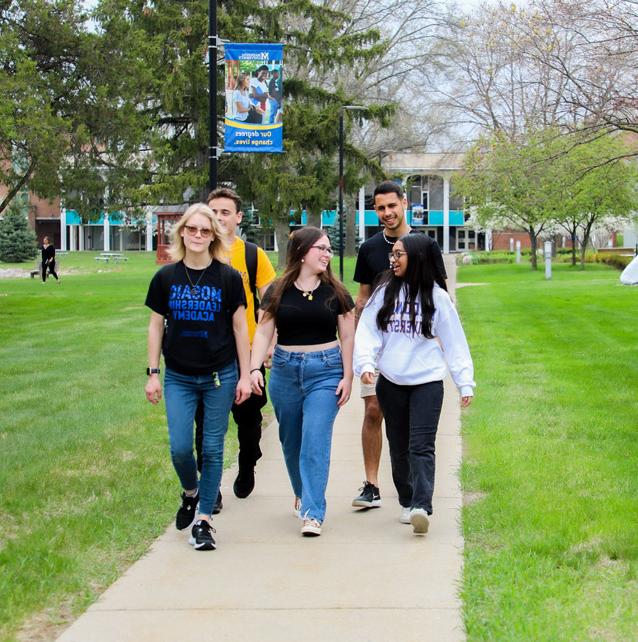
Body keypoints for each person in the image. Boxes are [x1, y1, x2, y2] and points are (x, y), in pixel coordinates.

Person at [144, 203, 251, 551]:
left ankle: (204, 520)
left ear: (214, 236)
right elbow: (155, 325)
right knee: (179, 448)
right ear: (182, 232)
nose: (198, 236)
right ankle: (190, 491)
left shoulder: (228, 278)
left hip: (220, 374)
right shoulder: (165, 277)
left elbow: (239, 329)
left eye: (206, 231)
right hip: (178, 376)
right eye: (193, 229)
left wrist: (247, 375)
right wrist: (153, 374)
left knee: (212, 448)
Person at [353, 233, 475, 534]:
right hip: (391, 382)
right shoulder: (384, 293)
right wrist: (366, 364)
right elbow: (368, 330)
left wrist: (465, 382)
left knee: (421, 446)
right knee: (399, 447)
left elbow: (454, 342)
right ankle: (407, 500)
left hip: (427, 383)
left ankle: (422, 505)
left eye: (399, 255)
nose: (392, 260)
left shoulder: (437, 297)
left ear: (417, 258)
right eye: (392, 255)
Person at [249, 227, 355, 537]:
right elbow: (264, 331)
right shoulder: (278, 290)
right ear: (301, 252)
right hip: (284, 370)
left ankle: (313, 511)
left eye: (329, 249)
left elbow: (347, 336)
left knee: (314, 440)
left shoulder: (336, 292)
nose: (327, 254)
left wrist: (347, 375)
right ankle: (302, 492)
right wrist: (255, 368)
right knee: (291, 441)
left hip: (326, 371)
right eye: (320, 248)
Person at [351, 181, 447, 510]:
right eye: (380, 208)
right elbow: (363, 299)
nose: (387, 213)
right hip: (379, 348)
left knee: (413, 433)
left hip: (415, 352)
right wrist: (359, 352)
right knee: (374, 410)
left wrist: (439, 342)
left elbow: (440, 295)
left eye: (392, 206)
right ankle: (372, 483)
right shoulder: (369, 249)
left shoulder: (424, 245)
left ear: (404, 203)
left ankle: (413, 496)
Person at [193, 187, 277, 509]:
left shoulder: (253, 255)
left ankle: (247, 463)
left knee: (249, 421)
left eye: (225, 212)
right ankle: (210, 490)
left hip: (247, 356)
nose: (218, 217)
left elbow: (269, 303)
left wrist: (270, 344)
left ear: (238, 217)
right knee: (205, 425)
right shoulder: (197, 254)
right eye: (213, 211)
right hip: (206, 354)